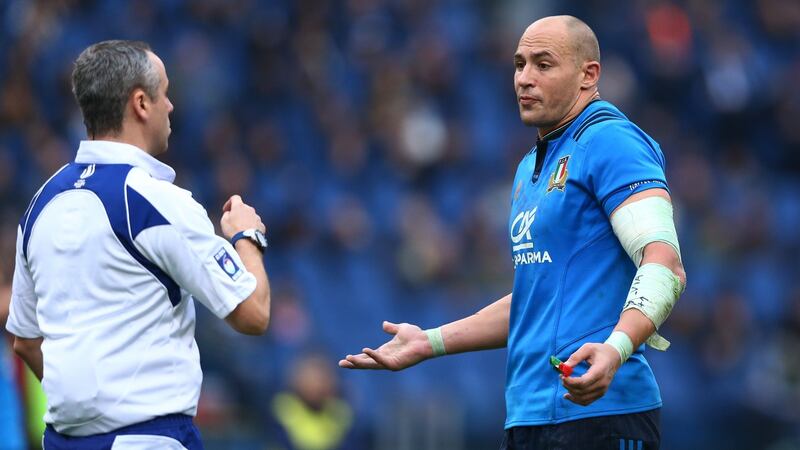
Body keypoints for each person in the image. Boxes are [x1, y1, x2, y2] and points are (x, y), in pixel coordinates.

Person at [340, 15, 686, 450]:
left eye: (543, 64)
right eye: (519, 64)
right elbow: (536, 297)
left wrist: (616, 348)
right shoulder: (529, 168)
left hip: (603, 415)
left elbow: (666, 265)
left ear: (588, 75)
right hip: (529, 416)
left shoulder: (613, 142)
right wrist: (430, 342)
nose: (524, 78)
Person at [6, 40, 271, 449]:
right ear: (141, 103)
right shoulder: (159, 201)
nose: (171, 107)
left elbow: (25, 341)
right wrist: (245, 236)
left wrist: (88, 410)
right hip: (150, 438)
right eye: (165, 93)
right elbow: (253, 314)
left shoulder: (40, 205)